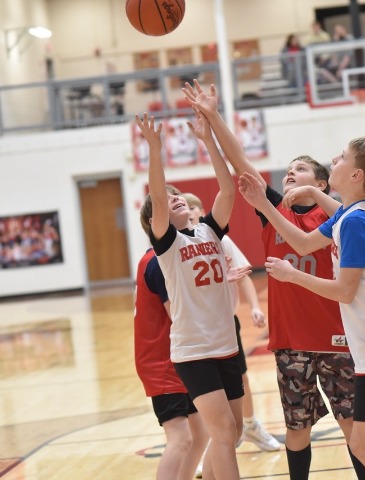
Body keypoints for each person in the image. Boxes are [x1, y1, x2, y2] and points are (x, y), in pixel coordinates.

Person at [181, 80, 365, 480]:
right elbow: (240, 162)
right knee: (297, 429)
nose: (289, 174)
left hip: (337, 337)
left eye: (300, 169)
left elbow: (342, 211)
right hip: (291, 341)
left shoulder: (337, 216)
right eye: (287, 171)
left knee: (352, 426)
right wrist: (214, 117)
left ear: (320, 183)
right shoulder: (271, 211)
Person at [238, 136, 365, 480]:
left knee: (364, 444)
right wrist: (305, 193)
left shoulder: (355, 222)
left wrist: (293, 276)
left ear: (356, 174)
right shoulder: (357, 212)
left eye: (343, 157)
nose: (335, 158)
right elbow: (304, 243)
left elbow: (345, 292)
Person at [136, 108, 250, 480]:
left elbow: (228, 189)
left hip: (226, 344)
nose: (174, 199)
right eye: (167, 200)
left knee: (234, 432)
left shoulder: (210, 231)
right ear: (158, 219)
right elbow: (157, 195)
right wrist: (155, 149)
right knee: (223, 431)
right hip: (194, 351)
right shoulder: (167, 246)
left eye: (178, 196)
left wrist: (208, 140)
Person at [182, 192, 281, 475]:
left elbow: (243, 273)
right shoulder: (175, 247)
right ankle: (213, 445)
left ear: (202, 211)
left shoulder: (219, 238)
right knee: (206, 396)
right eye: (185, 207)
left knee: (241, 379)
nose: (190, 211)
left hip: (225, 323)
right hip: (195, 331)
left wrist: (255, 307)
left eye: (193, 207)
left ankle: (250, 425)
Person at [134, 247, 209, 480]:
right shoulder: (158, 262)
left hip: (179, 357)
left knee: (200, 435)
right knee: (181, 438)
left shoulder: (160, 257)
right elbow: (178, 315)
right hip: (162, 362)